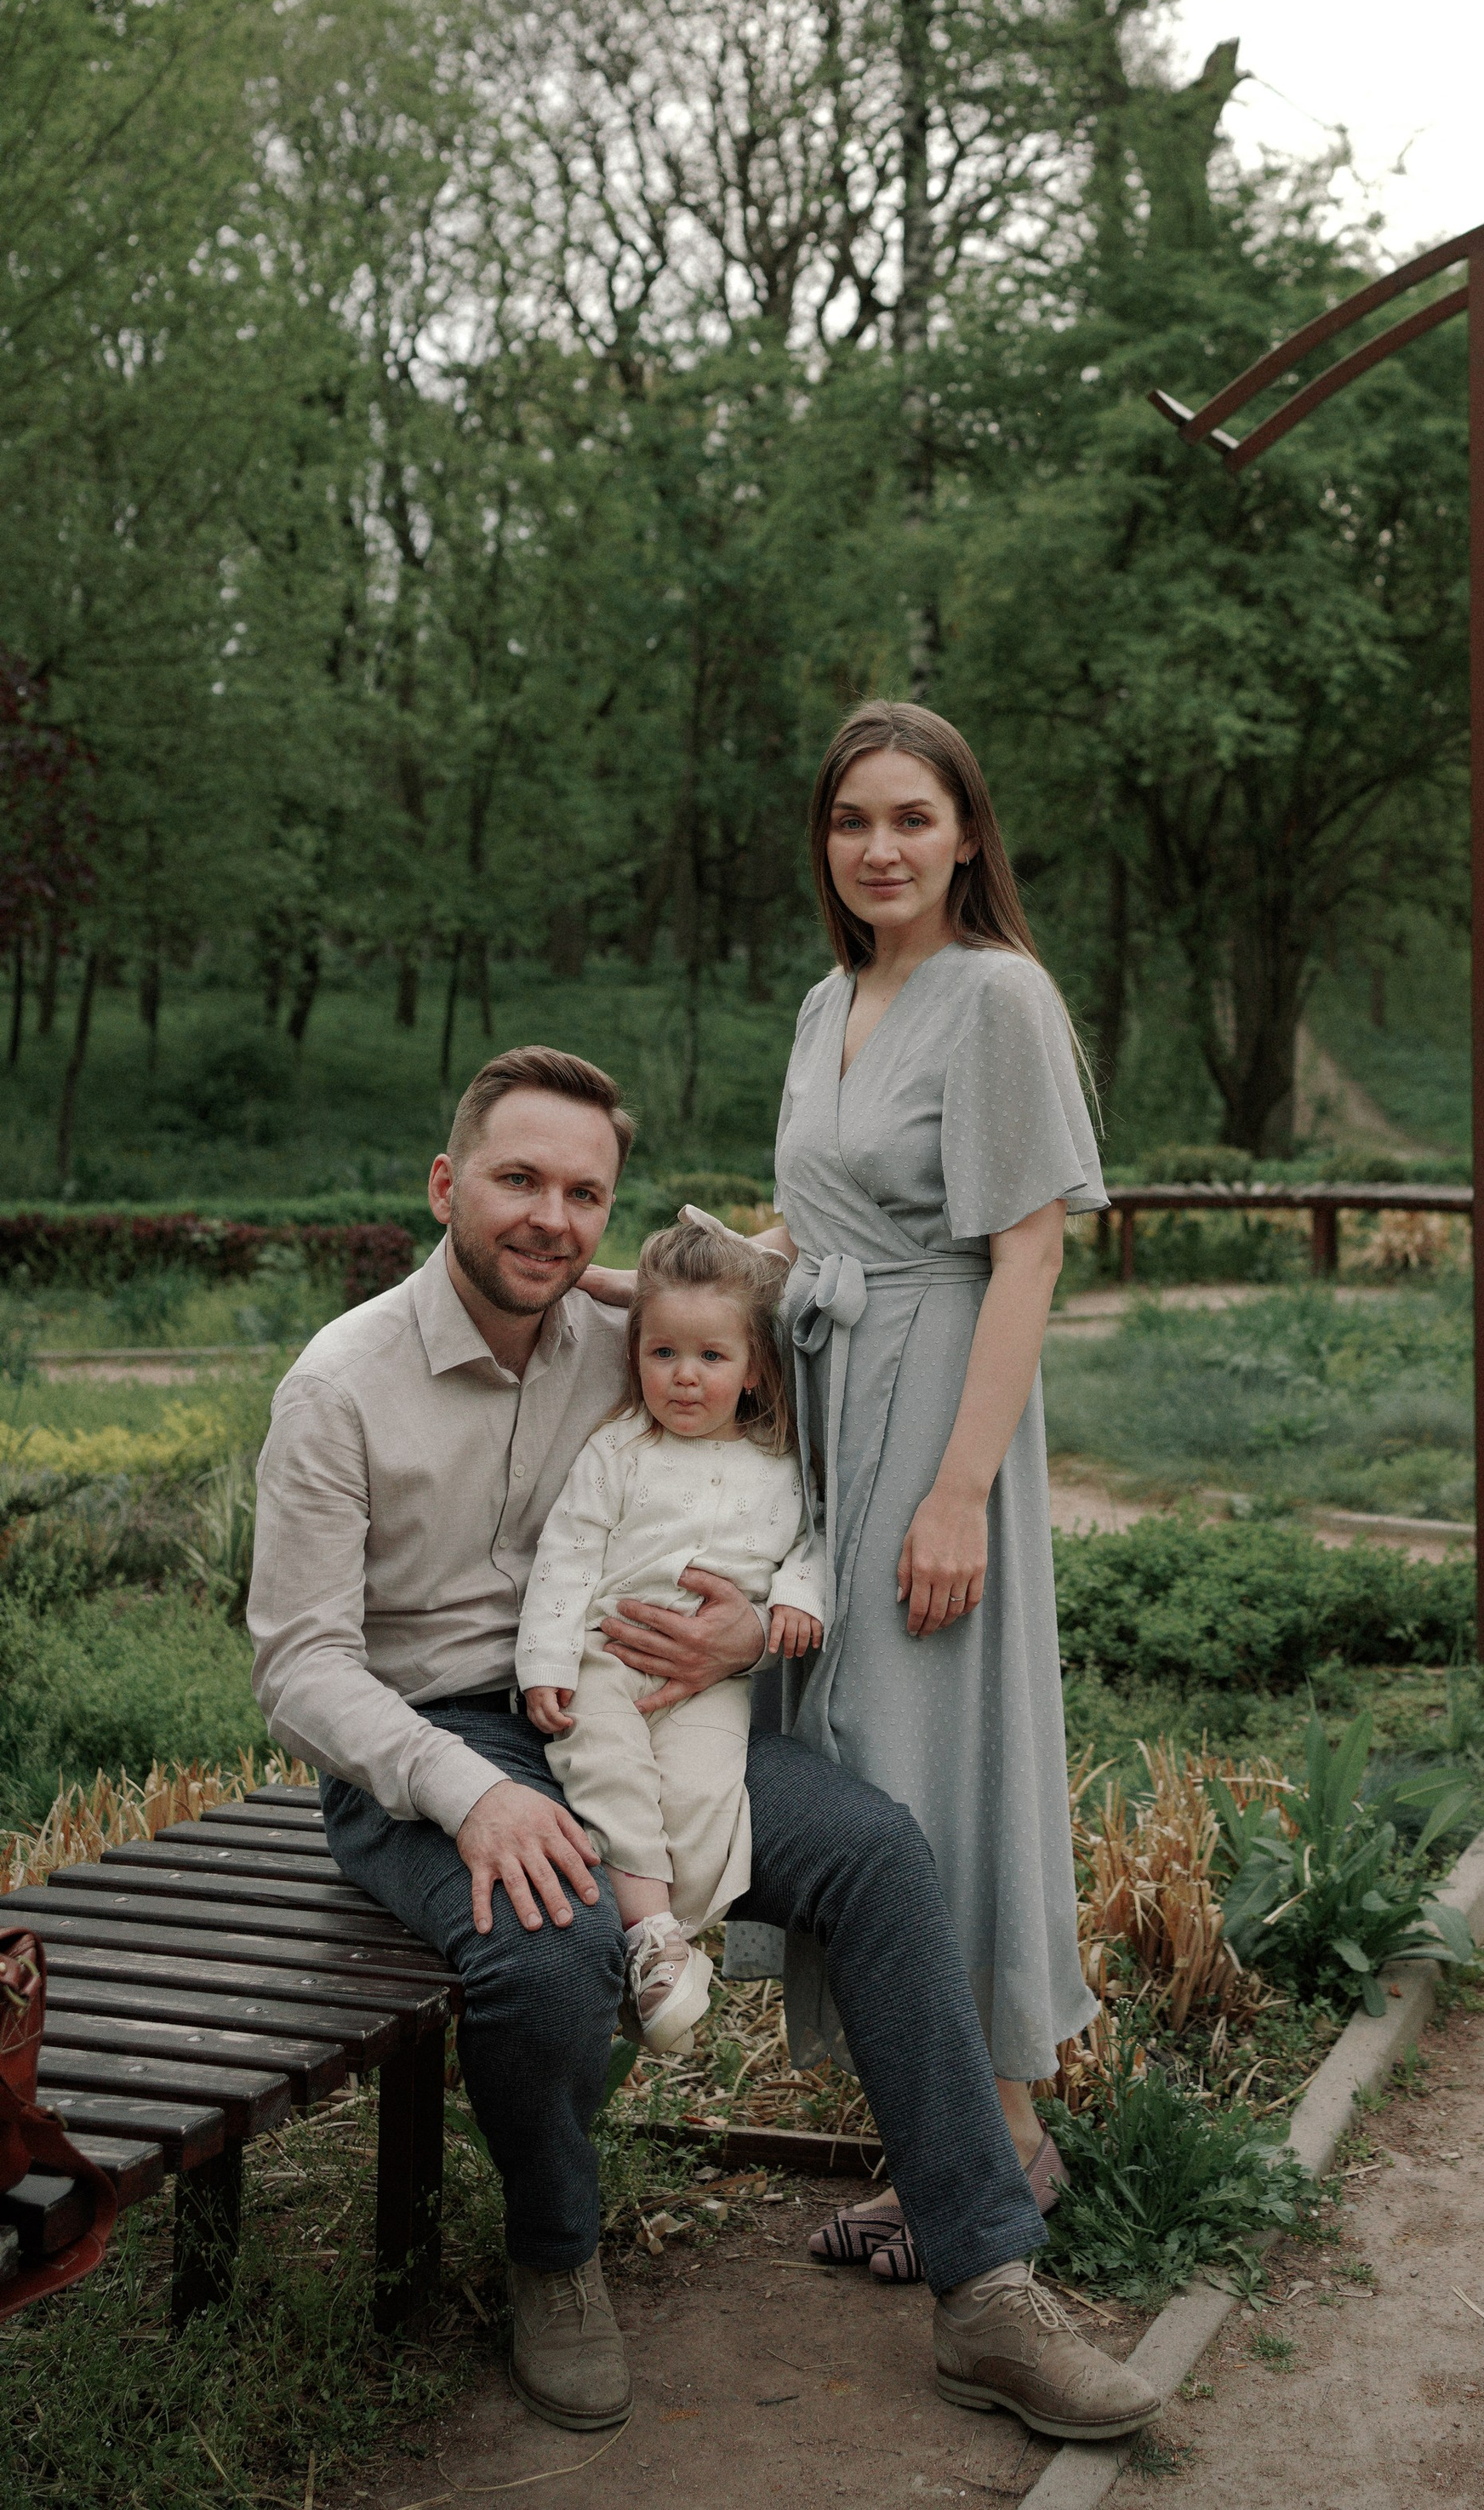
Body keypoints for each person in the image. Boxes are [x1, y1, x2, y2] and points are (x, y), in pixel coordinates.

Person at [248, 1043, 1160, 2448]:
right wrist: (471, 1793)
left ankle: (987, 2281)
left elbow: (765, 1370)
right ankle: (554, 2258)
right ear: (446, 1184)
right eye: (517, 1181)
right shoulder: (341, 1384)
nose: (550, 1217)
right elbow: (299, 1663)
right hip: (425, 1757)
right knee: (550, 1957)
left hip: (639, 1703)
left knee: (874, 1851)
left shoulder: (627, 1348)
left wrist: (748, 1635)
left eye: (582, 1192)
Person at [770, 701, 1106, 2283]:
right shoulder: (824, 1000)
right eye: (854, 822)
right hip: (836, 1408)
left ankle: (1010, 2147)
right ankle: (940, 2140)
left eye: (913, 817)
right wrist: (631, 1290)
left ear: (967, 831)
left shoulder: (997, 998)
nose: (881, 848)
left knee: (944, 1768)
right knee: (867, 1769)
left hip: (940, 1417)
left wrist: (960, 1489)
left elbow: (1030, 1250)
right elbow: (803, 1240)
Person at [517, 1210, 825, 2055]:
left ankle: (658, 1942)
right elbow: (568, 1554)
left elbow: (812, 1544)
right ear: (637, 1357)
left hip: (710, 1686)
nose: (684, 1377)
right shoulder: (619, 1449)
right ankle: (651, 1937)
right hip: (606, 1659)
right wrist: (546, 1662)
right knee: (609, 1773)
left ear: (756, 1370)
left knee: (701, 1800)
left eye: (711, 1357)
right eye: (663, 1354)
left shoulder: (779, 1469)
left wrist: (798, 1597)